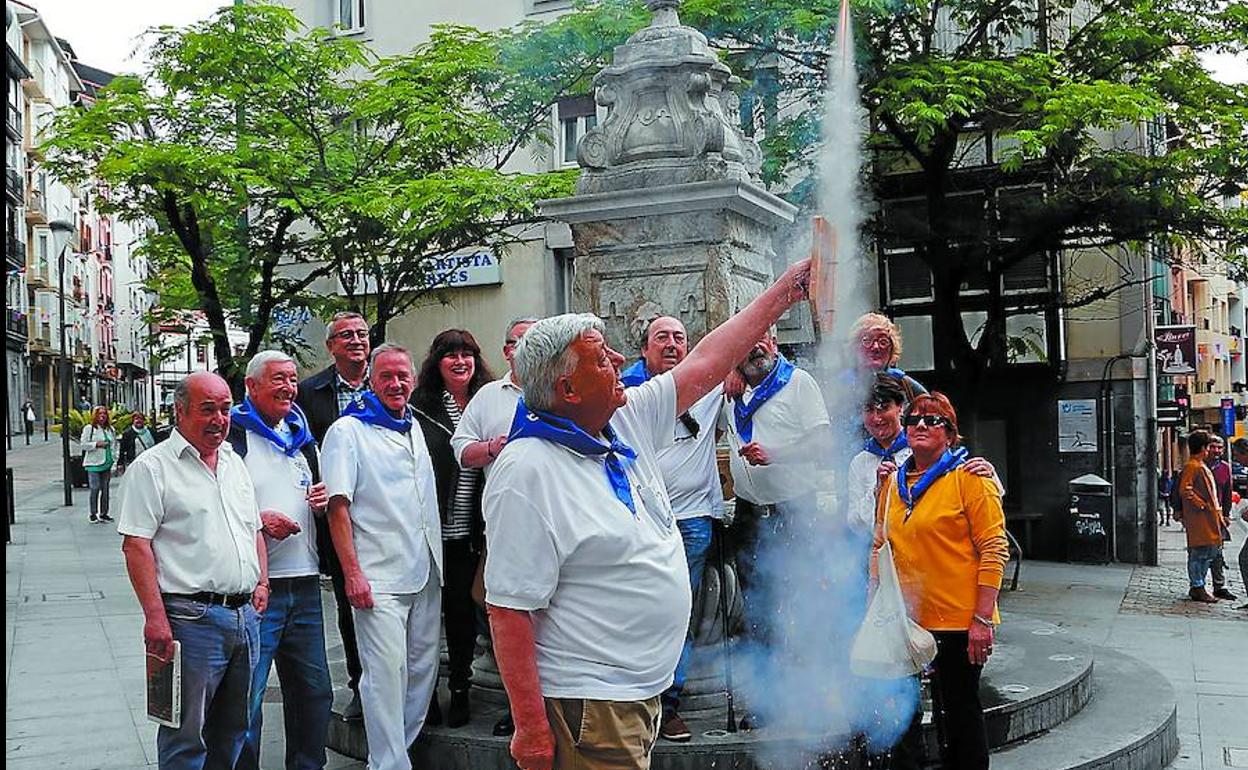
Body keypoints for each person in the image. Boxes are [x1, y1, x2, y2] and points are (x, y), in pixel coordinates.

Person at [484, 258, 812, 770]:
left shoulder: (622, 419)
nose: (619, 359)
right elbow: (507, 609)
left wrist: (785, 293)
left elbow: (706, 362)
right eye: (600, 357)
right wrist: (530, 729)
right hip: (590, 705)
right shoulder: (526, 471)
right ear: (567, 390)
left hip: (636, 696)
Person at [117, 371, 267, 770]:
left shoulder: (234, 463)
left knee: (235, 729)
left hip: (244, 617)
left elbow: (252, 529)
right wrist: (155, 619)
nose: (219, 419)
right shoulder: (152, 468)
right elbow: (136, 545)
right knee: (185, 734)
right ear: (179, 412)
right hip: (189, 619)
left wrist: (262, 581)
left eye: (224, 409)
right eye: (207, 410)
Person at [321, 343, 444, 770]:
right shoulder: (347, 431)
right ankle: (388, 764)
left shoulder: (412, 425)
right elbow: (338, 507)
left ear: (413, 379)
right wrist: (352, 573)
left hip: (426, 569)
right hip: (378, 576)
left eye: (402, 376)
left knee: (421, 673)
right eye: (386, 376)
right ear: (371, 380)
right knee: (385, 676)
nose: (396, 384)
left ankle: (397, 753)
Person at [873, 393, 1009, 770]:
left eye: (932, 421)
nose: (920, 425)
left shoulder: (970, 479)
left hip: (958, 621)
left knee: (960, 712)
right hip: (906, 618)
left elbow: (994, 549)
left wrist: (982, 620)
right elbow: (879, 544)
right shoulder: (893, 483)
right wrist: (875, 603)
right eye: (914, 419)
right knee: (903, 714)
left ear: (950, 435)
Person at [620, 316, 726, 743]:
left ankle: (670, 703)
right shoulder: (625, 393)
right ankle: (633, 698)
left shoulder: (711, 386)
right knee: (637, 613)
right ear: (644, 349)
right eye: (660, 337)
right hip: (639, 522)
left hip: (693, 520)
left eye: (679, 338)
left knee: (679, 614)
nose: (671, 344)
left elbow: (740, 360)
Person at [229, 352, 333, 770]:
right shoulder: (234, 439)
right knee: (248, 698)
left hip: (305, 585)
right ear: (251, 387)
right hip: (258, 590)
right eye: (278, 379)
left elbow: (318, 499)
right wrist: (259, 520)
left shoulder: (301, 438)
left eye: (292, 379)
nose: (289, 387)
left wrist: (322, 506)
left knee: (314, 691)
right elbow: (215, 502)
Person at [719, 330, 830, 675]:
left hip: (795, 509)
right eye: (745, 342)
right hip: (749, 511)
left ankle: (807, 682)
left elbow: (823, 444)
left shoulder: (798, 382)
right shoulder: (731, 391)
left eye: (761, 339)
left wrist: (776, 455)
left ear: (775, 343)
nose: (754, 347)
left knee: (800, 597)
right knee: (756, 604)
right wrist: (728, 371)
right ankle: (768, 689)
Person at [449, 315, 537, 737]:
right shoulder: (488, 397)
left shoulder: (560, 387)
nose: (530, 347)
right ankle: (519, 708)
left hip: (558, 527)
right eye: (522, 341)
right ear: (507, 351)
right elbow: (461, 449)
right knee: (502, 611)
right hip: (503, 529)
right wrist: (491, 447)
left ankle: (553, 704)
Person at [411, 330, 494, 728]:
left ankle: (461, 687)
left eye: (467, 355)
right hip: (427, 535)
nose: (460, 362)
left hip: (469, 535)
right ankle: (425, 695)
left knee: (462, 619)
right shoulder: (420, 407)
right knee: (426, 621)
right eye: (451, 355)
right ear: (436, 362)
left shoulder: (488, 401)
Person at [295, 310, 371, 719]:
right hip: (337, 516)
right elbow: (301, 448)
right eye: (346, 335)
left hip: (388, 515)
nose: (356, 340)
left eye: (361, 333)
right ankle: (360, 684)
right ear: (331, 346)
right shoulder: (310, 394)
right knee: (350, 602)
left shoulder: (389, 383)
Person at [849, 375, 1002, 537]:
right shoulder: (860, 462)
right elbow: (857, 526)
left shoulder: (923, 444)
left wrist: (990, 477)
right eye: (869, 410)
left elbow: (966, 487)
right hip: (886, 551)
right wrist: (878, 491)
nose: (876, 418)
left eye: (884, 408)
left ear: (900, 408)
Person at [1179, 430, 1228, 603]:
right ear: (1203, 448)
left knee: (1208, 551)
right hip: (1201, 519)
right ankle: (1197, 586)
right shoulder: (1194, 466)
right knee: (1200, 553)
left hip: (1207, 517)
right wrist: (1202, 505)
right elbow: (1186, 490)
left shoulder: (1199, 465)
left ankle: (1199, 585)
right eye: (1208, 447)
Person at [850, 313, 927, 402]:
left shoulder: (905, 385)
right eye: (867, 340)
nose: (876, 347)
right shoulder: (840, 385)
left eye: (883, 342)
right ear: (855, 346)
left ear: (892, 348)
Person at [1204, 436, 1238, 601]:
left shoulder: (1225, 468)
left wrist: (1226, 514)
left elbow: (1227, 493)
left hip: (1217, 516)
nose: (1216, 451)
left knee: (1217, 551)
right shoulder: (1198, 465)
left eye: (1220, 448)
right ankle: (1198, 585)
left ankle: (1219, 585)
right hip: (1201, 515)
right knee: (1200, 551)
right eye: (1213, 447)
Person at [81, 405, 118, 523]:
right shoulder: (89, 429)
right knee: (95, 488)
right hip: (93, 463)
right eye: (100, 414)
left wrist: (114, 461)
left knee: (105, 489)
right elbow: (83, 444)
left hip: (107, 462)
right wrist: (96, 444)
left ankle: (104, 513)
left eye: (104, 414)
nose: (102, 416)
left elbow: (114, 446)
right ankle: (93, 513)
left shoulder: (110, 429)